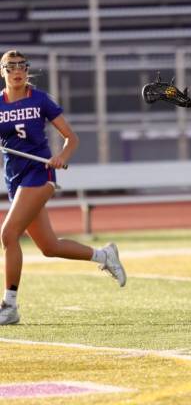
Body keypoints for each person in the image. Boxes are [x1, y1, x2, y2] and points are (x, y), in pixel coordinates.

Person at [0, 50, 126, 326]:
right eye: (10, 67)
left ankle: (9, 305)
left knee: (8, 234)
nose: (17, 71)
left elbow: (71, 138)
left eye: (21, 66)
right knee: (49, 247)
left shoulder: (40, 99)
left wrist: (62, 158)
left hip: (39, 174)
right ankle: (104, 255)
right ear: (3, 72)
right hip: (15, 179)